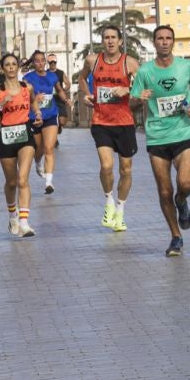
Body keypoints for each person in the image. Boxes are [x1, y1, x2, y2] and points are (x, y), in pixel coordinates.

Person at [133, 25, 190, 257]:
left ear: (173, 42)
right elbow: (132, 103)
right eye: (160, 38)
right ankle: (175, 236)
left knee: (185, 184)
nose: (164, 42)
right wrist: (138, 98)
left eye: (168, 38)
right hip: (157, 135)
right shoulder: (144, 72)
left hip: (183, 132)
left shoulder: (186, 66)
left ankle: (181, 201)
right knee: (164, 191)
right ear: (154, 43)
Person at [84, 26, 139, 231]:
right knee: (106, 166)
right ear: (102, 41)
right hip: (101, 122)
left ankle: (120, 209)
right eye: (106, 38)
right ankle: (108, 202)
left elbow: (145, 84)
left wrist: (128, 89)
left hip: (124, 123)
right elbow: (82, 79)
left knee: (125, 170)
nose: (110, 41)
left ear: (120, 41)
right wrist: (86, 94)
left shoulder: (130, 62)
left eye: (113, 38)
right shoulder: (93, 61)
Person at [0, 53, 40, 237]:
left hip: (25, 134)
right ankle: (12, 216)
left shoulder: (27, 87)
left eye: (13, 64)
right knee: (11, 182)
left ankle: (24, 223)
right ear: (2, 68)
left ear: (18, 67)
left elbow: (33, 103)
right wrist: (1, 104)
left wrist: (37, 114)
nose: (10, 67)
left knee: (23, 179)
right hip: (7, 137)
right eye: (7, 64)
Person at [23, 49, 69, 195]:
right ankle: (37, 162)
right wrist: (35, 100)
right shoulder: (27, 78)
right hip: (35, 117)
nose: (41, 63)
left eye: (43, 60)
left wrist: (66, 99)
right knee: (39, 148)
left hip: (50, 115)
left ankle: (49, 182)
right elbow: (23, 97)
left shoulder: (52, 75)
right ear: (33, 63)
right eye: (37, 61)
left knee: (49, 148)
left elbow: (59, 90)